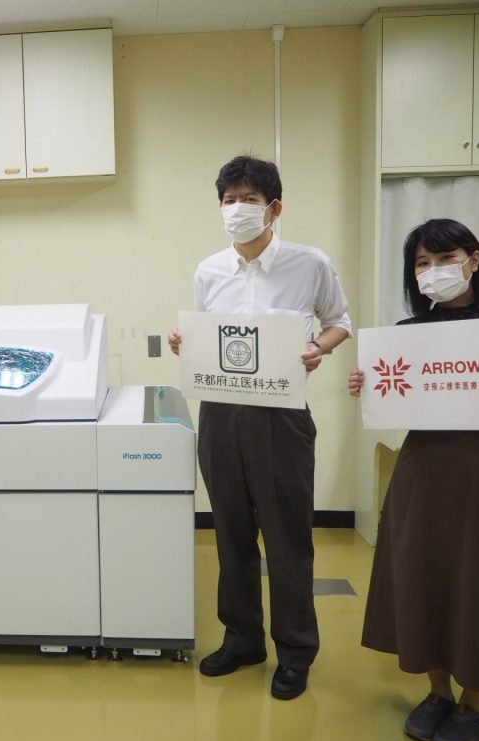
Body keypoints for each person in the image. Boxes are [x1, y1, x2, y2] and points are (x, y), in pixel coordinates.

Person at [348, 218, 479, 741]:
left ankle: (474, 705)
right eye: (422, 263)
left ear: (474, 261)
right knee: (422, 578)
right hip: (421, 471)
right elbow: (395, 403)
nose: (433, 271)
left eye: (445, 259)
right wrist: (369, 386)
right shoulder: (406, 333)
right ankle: (437, 692)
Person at [167, 155, 352, 700]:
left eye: (249, 199)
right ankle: (242, 639)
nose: (237, 209)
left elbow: (339, 322)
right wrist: (183, 343)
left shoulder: (308, 263)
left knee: (287, 537)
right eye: (229, 200)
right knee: (230, 534)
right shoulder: (209, 270)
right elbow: (204, 335)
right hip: (220, 414)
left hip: (281, 415)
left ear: (274, 209)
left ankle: (295, 652)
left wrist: (318, 347)